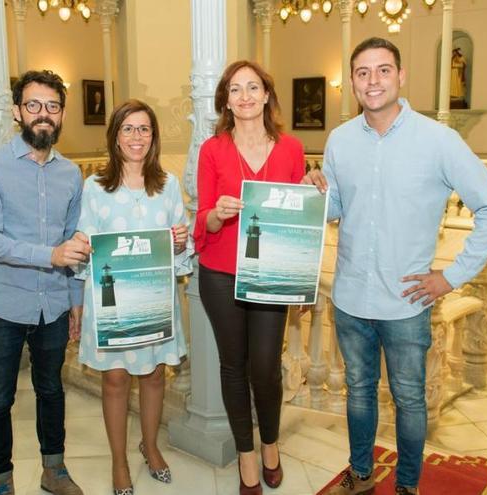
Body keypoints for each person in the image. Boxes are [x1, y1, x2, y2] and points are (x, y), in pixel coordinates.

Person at [303, 37, 487, 495]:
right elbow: (337, 207)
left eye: (382, 70)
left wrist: (451, 276)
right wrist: (314, 188)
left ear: (400, 76)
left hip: (406, 300)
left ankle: (408, 487)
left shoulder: (438, 140)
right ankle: (360, 477)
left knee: (410, 399)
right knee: (358, 392)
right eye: (362, 72)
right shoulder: (340, 140)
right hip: (353, 295)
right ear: (353, 82)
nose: (372, 80)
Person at [0, 69, 89, 495]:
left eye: (52, 107)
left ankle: (53, 470)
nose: (44, 114)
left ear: (61, 115)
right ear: (17, 112)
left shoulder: (71, 175)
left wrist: (75, 299)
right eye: (34, 105)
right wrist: (49, 255)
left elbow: (74, 243)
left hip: (53, 304)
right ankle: (1, 479)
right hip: (1, 307)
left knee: (52, 391)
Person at [193, 60, 305, 495]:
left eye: (252, 87)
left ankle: (270, 444)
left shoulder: (292, 149)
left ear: (265, 95)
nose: (244, 96)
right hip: (220, 273)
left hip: (271, 274)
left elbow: (298, 217)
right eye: (235, 89)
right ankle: (246, 455)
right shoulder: (212, 150)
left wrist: (312, 188)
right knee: (232, 367)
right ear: (225, 99)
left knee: (265, 367)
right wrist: (217, 215)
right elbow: (203, 218)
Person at [72, 99, 191, 495]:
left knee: (155, 374)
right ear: (115, 136)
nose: (137, 137)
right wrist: (81, 244)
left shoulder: (168, 185)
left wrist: (180, 241)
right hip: (112, 304)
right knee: (116, 380)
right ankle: (119, 461)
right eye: (128, 128)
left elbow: (181, 244)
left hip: (154, 300)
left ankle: (151, 445)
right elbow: (85, 240)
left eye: (144, 129)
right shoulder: (95, 186)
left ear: (153, 137)